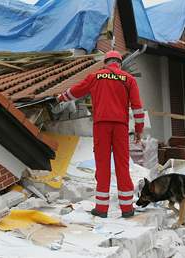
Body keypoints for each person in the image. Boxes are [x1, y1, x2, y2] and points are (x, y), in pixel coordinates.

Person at [56, 50, 144, 218]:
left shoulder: (95, 76)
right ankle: (127, 209)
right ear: (119, 63)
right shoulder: (129, 79)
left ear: (105, 63)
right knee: (122, 166)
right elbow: (138, 108)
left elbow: (76, 91)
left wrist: (60, 98)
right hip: (120, 127)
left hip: (101, 126)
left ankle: (101, 209)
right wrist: (139, 130)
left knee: (103, 165)